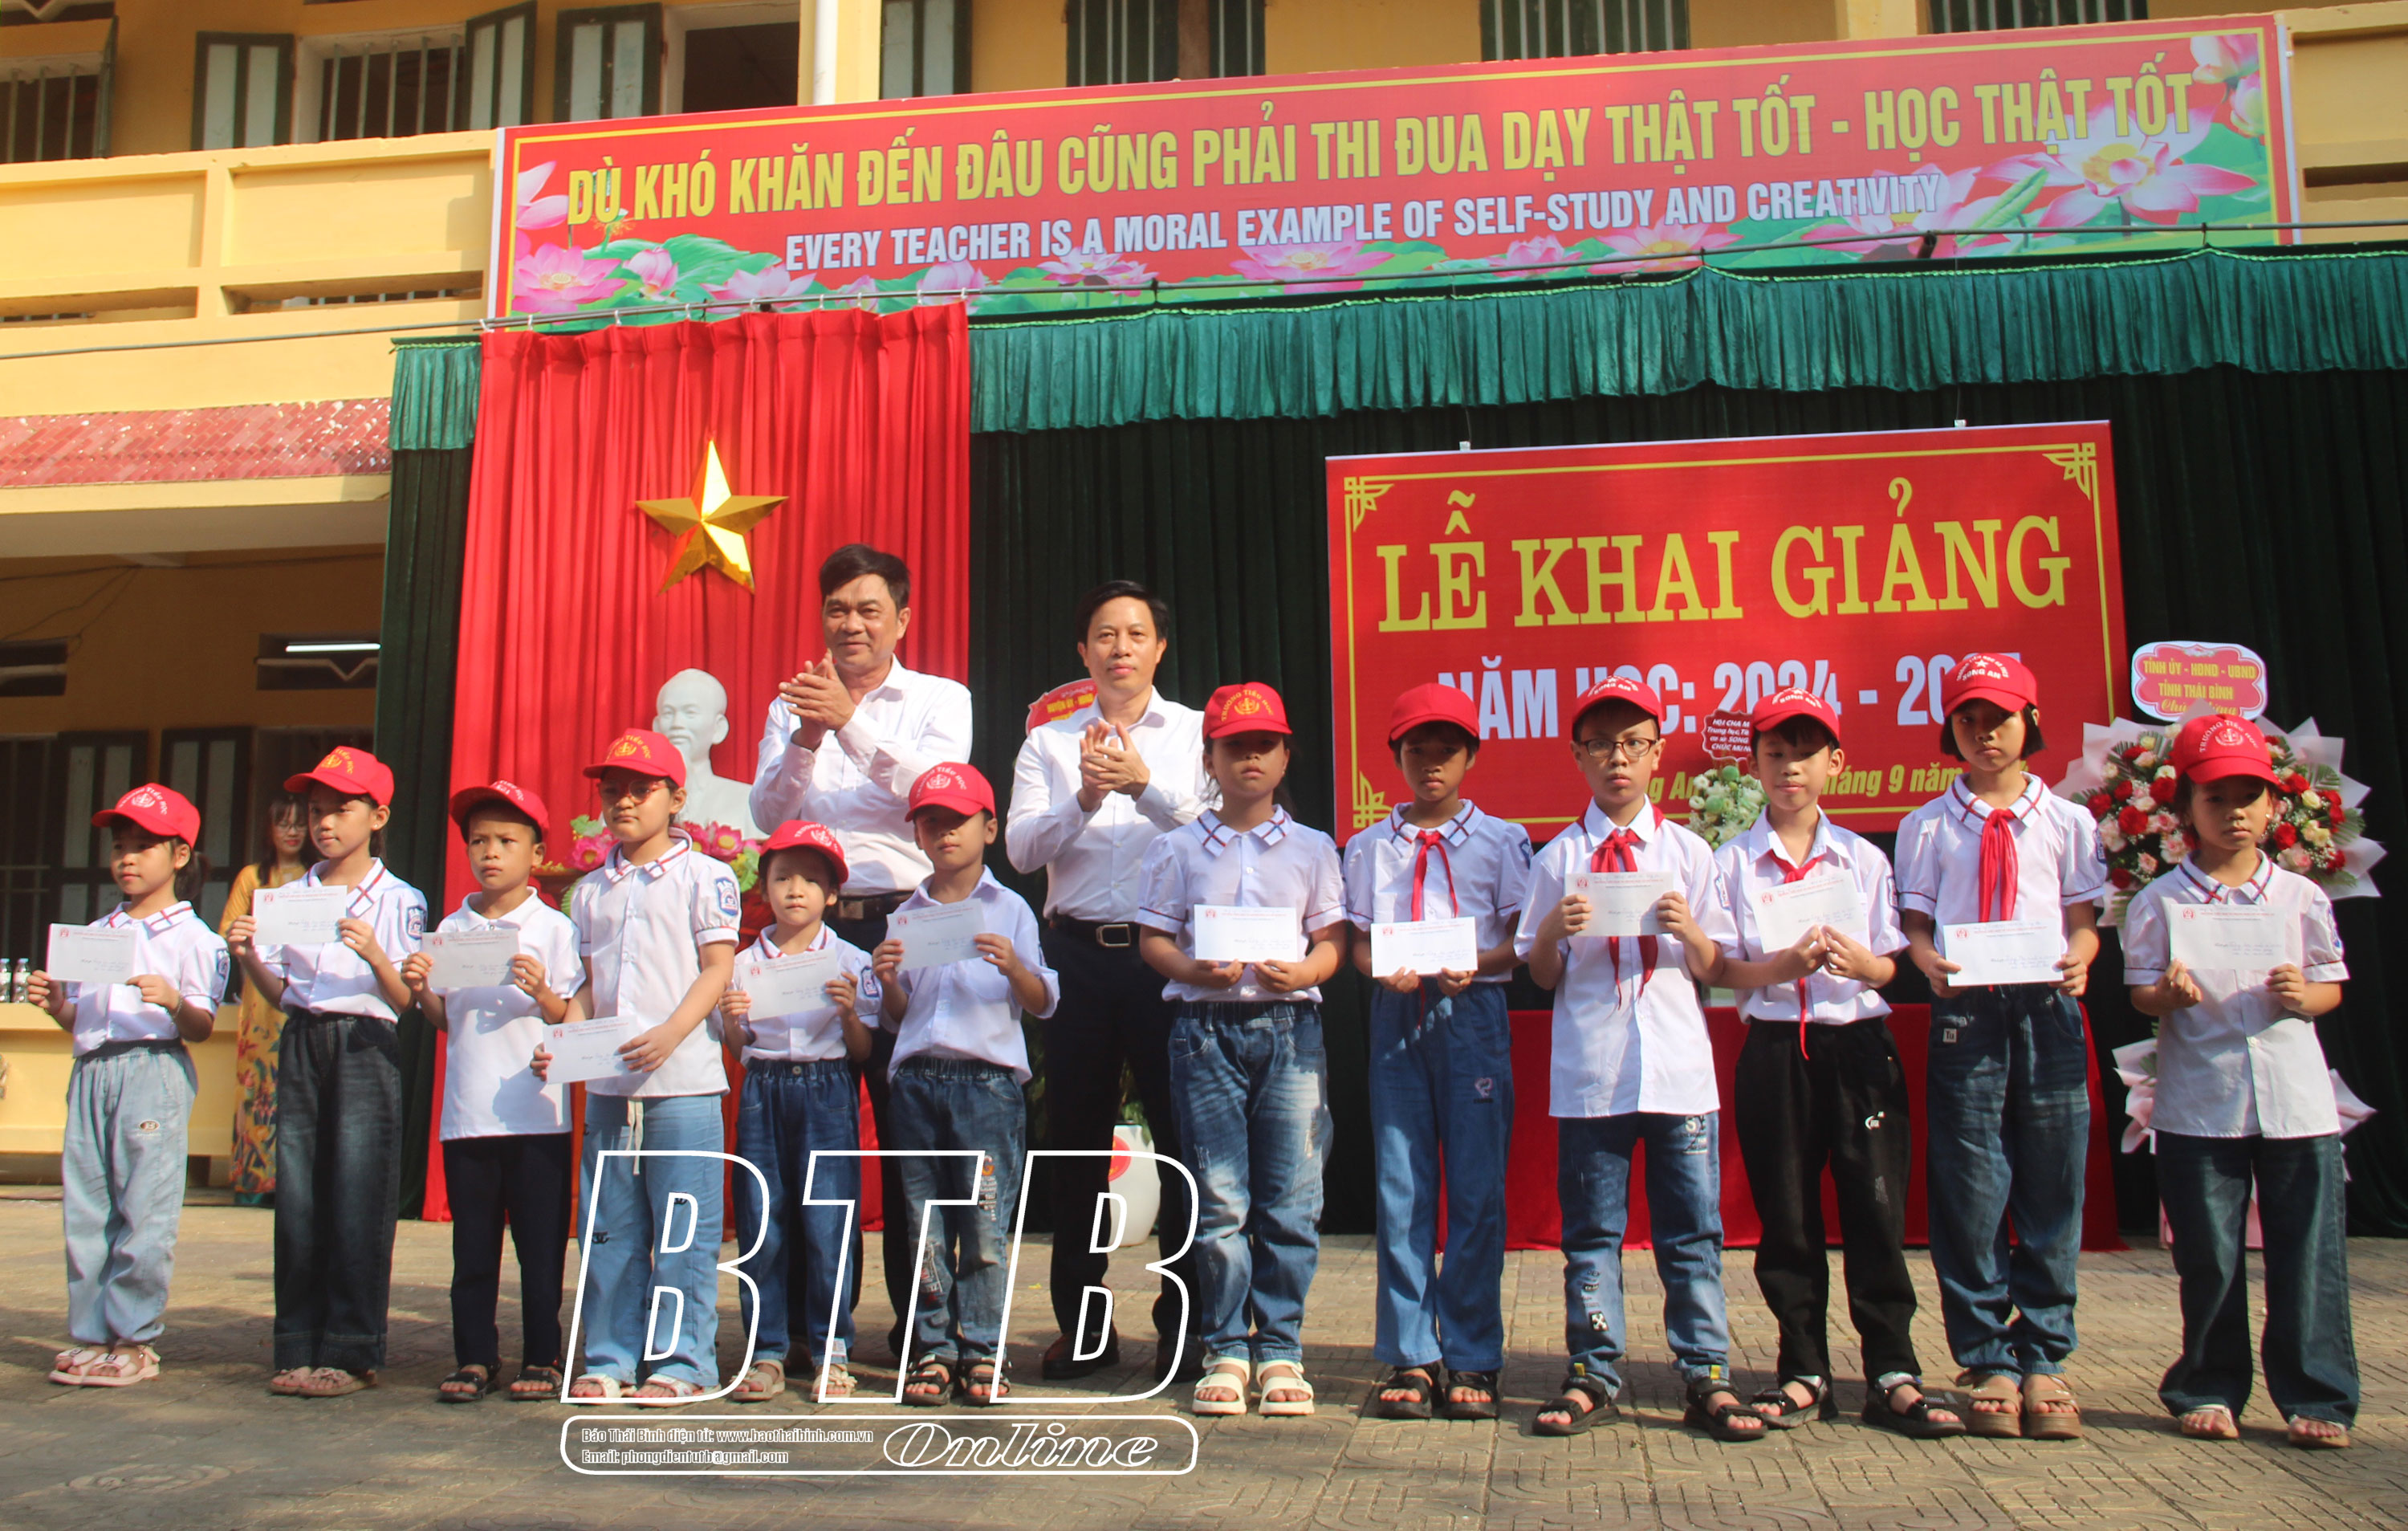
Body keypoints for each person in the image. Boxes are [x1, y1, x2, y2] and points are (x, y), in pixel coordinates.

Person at [1514, 676, 1760, 1442]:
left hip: (1679, 1069)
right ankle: (1593, 1367)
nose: (1616, 759)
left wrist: (1690, 931)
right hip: (1593, 1071)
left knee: (1692, 1231)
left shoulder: (1688, 852)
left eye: (1632, 743)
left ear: (1658, 753)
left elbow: (1719, 966)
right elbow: (1541, 975)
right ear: (1578, 756)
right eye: (1600, 745)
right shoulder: (1559, 857)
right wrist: (1553, 930)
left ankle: (1707, 1370)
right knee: (1592, 1230)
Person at [1711, 688, 1963, 1438]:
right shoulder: (1732, 862)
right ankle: (1803, 1368)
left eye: (1805, 754)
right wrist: (1780, 965)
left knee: (1875, 1208)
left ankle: (1892, 1370)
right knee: (1787, 1214)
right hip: (1775, 1049)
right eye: (1775, 753)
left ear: (1836, 763)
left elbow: (1890, 966)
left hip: (1857, 1046)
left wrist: (1863, 965)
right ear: (1755, 763)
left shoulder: (1861, 858)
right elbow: (1719, 968)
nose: (1790, 768)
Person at [751, 542, 971, 1358]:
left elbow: (939, 793)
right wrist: (807, 738)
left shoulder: (941, 697)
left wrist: (852, 723)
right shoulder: (792, 704)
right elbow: (766, 814)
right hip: (812, 929)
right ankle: (812, 1328)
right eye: (837, 609)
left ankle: (925, 1325)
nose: (851, 623)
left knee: (914, 1127)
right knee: (813, 1130)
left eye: (868, 609)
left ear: (901, 619)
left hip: (906, 927)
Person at [2125, 712, 2358, 1450]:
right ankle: (2208, 1386)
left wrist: (2304, 995)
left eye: (2249, 797)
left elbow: (2331, 986)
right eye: (2216, 798)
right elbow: (2141, 993)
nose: (2234, 812)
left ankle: (2316, 1393)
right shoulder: (2161, 899)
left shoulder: (2300, 897)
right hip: (2202, 1100)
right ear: (2185, 809)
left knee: (2308, 1253)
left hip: (2295, 1098)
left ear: (2274, 805)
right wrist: (2167, 995)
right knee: (2210, 1256)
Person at [1004, 580, 1210, 1386]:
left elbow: (1217, 831)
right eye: (1104, 635)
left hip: (1167, 954)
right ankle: (1084, 1326)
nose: (1120, 647)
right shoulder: (1048, 744)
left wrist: (1142, 786)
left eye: (1135, 634)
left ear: (1160, 648)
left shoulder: (1195, 732)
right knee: (1076, 1144)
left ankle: (1186, 1324)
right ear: (1083, 652)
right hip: (1077, 955)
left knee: (1182, 1138)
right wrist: (1086, 795)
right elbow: (1022, 850)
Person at [1894, 653, 2104, 1440]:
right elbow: (1916, 925)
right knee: (1972, 1181)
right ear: (1950, 728)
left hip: (2047, 1004)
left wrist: (2081, 957)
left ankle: (2045, 1352)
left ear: (2031, 722)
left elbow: (2082, 918)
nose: (1985, 733)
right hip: (1967, 1007)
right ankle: (1987, 1355)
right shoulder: (1926, 824)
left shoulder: (2068, 821)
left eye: (2001, 718)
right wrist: (1926, 962)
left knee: (2052, 1178)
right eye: (1969, 719)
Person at [1135, 682, 1345, 1419]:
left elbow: (1331, 940)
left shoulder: (1314, 847)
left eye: (1265, 745)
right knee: (1219, 1197)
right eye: (1234, 747)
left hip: (1291, 1029)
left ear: (1286, 756)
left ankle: (1281, 1347)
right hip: (1205, 1031)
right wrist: (1194, 969)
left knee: (1291, 1197)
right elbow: (1154, 939)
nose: (1250, 758)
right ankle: (1225, 1347)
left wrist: (1308, 970)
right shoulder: (1177, 847)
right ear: (1210, 759)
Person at [1345, 682, 1530, 1423]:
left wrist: (1477, 964)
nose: (1431, 763)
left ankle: (1475, 1352)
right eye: (1416, 749)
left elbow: (1519, 941)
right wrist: (1378, 970)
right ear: (1394, 754)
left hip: (1473, 1011)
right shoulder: (1368, 846)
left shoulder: (1503, 840)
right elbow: (1360, 943)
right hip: (1397, 1013)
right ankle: (1412, 1353)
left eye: (1446, 749)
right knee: (1402, 1185)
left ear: (1471, 755)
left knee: (1477, 1189)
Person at [540, 729, 740, 1403]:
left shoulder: (706, 876)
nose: (624, 801)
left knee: (683, 1227)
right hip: (609, 1087)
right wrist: (565, 1041)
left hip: (684, 1082)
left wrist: (671, 1034)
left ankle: (684, 1362)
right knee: (609, 1227)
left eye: (641, 789)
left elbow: (717, 968)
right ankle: (609, 1356)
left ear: (676, 798)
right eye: (613, 790)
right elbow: (586, 988)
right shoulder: (589, 891)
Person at [226, 747, 425, 1399]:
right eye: (317, 811)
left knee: (359, 1192)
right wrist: (248, 956)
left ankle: (351, 1346)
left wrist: (374, 953)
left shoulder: (398, 898)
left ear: (378, 816)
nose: (325, 823)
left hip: (366, 1040)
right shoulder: (290, 896)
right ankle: (297, 1340)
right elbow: (285, 994)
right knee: (299, 1194)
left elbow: (406, 1000)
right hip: (304, 1036)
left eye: (341, 809)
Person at [869, 763, 1058, 1407]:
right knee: (924, 1225)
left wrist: (1013, 967)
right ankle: (933, 1347)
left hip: (986, 1085)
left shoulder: (1011, 909)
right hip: (918, 1082)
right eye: (932, 822)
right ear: (917, 835)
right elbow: (898, 1015)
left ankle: (982, 1347)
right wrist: (887, 980)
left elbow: (1042, 1001)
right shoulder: (905, 916)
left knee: (984, 1224)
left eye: (958, 820)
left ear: (990, 827)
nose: (945, 832)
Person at [35, 785, 226, 1389]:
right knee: (88, 1207)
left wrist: (173, 1001)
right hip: (92, 1071)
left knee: (145, 1207)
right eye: (120, 846)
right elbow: (84, 1020)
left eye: (144, 846)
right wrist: (57, 1005)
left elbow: (201, 1025)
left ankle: (136, 1340)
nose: (127, 858)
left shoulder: (196, 938)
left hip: (153, 1068)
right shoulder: (97, 932)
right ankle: (93, 1335)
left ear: (180, 854)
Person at [399, 780, 581, 1405]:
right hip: (469, 1112)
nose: (491, 852)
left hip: (537, 1113)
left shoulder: (554, 928)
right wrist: (420, 989)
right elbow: (444, 1019)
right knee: (472, 1247)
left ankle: (542, 1355)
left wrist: (543, 993)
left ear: (537, 852)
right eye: (479, 841)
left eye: (506, 840)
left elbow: (570, 1017)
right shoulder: (452, 927)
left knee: (540, 1249)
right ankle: (474, 1355)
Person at [721, 820, 878, 1405]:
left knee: (828, 1221)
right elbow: (738, 1048)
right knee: (763, 1219)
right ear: (764, 886)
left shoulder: (849, 959)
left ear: (832, 894)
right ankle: (766, 1350)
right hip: (763, 1090)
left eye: (812, 880)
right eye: (783, 877)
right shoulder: (742, 964)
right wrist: (732, 1020)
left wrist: (848, 1014)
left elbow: (862, 1052)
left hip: (826, 1088)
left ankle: (831, 1348)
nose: (796, 890)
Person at [219, 789, 311, 1205]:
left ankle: (295, 1183)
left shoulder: (317, 877)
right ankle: (253, 1181)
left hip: (301, 989)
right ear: (269, 830)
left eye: (300, 823)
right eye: (283, 824)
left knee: (296, 1086)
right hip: (259, 999)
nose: (292, 832)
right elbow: (227, 931)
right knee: (256, 1086)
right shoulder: (251, 878)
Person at [654, 667, 762, 838]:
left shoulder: (749, 802)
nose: (677, 724)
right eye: (668, 713)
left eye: (690, 713)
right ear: (657, 727)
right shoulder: (635, 802)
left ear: (719, 728)